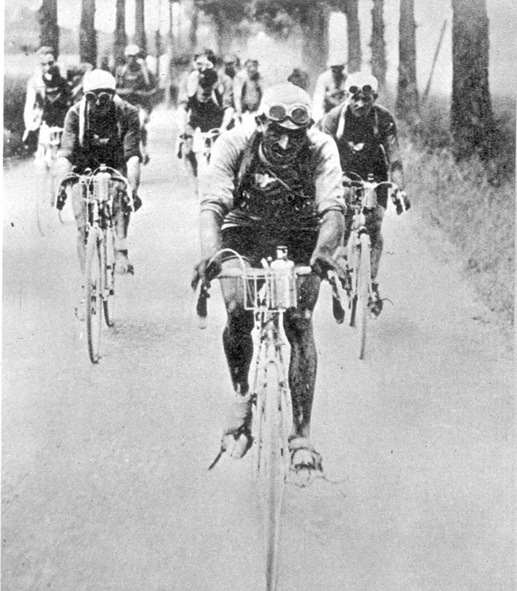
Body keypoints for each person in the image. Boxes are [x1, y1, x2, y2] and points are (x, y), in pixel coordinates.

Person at [192, 83, 346, 471]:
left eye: (294, 136)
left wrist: (324, 253)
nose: (283, 144)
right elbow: (212, 206)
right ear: (260, 123)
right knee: (238, 309)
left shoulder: (321, 146)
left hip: (301, 233)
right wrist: (211, 254)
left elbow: (332, 210)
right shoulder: (233, 142)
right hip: (244, 229)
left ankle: (301, 434)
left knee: (299, 321)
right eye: (274, 133)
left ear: (306, 130)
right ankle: (242, 394)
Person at [321, 71, 409, 316]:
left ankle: (370, 283)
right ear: (347, 97)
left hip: (374, 173)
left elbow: (395, 158)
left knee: (375, 224)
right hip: (342, 171)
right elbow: (322, 158)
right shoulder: (332, 119)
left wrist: (399, 188)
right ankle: (339, 278)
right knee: (343, 222)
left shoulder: (383, 119)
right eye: (354, 98)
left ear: (375, 98)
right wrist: (333, 181)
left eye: (366, 99)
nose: (360, 104)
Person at [56, 69, 142, 312]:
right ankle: (87, 285)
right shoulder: (75, 114)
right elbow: (65, 154)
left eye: (104, 97)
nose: (98, 104)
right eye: (91, 98)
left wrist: (131, 190)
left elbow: (133, 157)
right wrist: (61, 183)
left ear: (113, 96)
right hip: (84, 164)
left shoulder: (127, 112)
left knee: (120, 193)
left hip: (116, 163)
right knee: (82, 223)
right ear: (85, 97)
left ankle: (121, 250)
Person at [177, 52, 234, 178]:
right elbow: (183, 107)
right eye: (199, 64)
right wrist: (182, 128)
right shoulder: (188, 80)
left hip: (219, 120)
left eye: (207, 65)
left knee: (229, 153)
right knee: (187, 151)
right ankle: (196, 185)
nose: (202, 69)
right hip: (196, 119)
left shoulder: (224, 80)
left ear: (213, 65)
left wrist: (224, 127)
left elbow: (228, 107)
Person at [23, 46, 71, 152]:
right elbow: (29, 105)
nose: (48, 67)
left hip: (60, 120)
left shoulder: (62, 80)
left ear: (55, 62)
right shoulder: (35, 82)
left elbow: (67, 100)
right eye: (43, 64)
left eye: (50, 63)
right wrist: (30, 126)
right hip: (44, 121)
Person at [115, 44, 156, 164]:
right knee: (121, 128)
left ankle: (144, 149)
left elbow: (153, 90)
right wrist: (127, 91)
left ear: (138, 57)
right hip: (125, 105)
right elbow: (114, 89)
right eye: (129, 57)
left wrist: (141, 93)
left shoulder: (145, 72)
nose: (131, 59)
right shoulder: (121, 71)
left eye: (134, 56)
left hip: (141, 105)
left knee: (140, 125)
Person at [312, 57, 347, 125]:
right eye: (334, 70)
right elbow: (318, 99)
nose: (336, 73)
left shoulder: (346, 77)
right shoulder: (323, 78)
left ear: (342, 69)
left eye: (339, 70)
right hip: (327, 110)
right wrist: (318, 119)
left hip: (341, 110)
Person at [233, 59, 262, 124]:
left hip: (254, 107)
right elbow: (237, 95)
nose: (253, 69)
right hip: (244, 108)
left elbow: (260, 92)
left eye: (255, 66)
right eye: (249, 67)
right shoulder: (240, 76)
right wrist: (239, 111)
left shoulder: (257, 76)